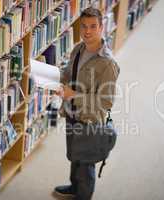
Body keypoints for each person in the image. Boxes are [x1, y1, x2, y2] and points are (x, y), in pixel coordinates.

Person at [54, 7, 120, 200]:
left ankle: (83, 195)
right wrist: (52, 78)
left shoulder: (107, 64)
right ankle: (74, 187)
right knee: (75, 156)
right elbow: (68, 73)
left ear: (101, 27)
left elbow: (106, 102)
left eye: (93, 26)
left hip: (89, 120)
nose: (87, 31)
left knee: (85, 163)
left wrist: (73, 94)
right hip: (72, 114)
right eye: (83, 26)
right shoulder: (78, 49)